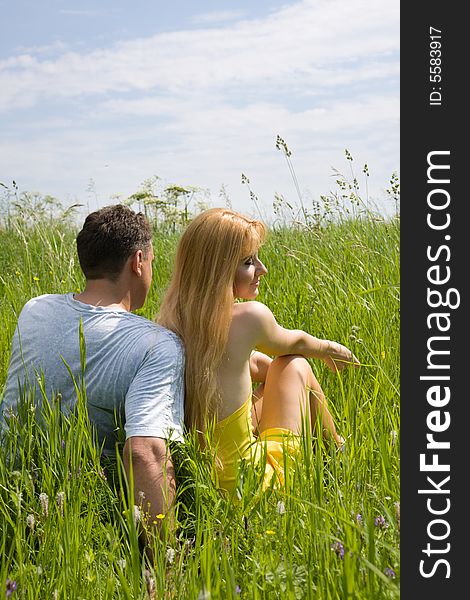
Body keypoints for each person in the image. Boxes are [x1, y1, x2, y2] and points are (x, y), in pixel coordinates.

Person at [1, 204, 184, 528]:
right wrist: (169, 568)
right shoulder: (158, 344)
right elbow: (144, 453)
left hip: (11, 500)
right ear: (138, 262)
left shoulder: (35, 310)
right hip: (89, 521)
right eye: (152, 260)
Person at [157, 207, 359, 494]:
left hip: (209, 484)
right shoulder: (249, 317)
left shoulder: (171, 324)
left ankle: (329, 456)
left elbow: (254, 366)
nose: (262, 269)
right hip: (255, 486)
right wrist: (328, 349)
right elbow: (294, 345)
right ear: (219, 269)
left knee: (270, 380)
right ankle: (338, 458)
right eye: (248, 262)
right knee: (295, 365)